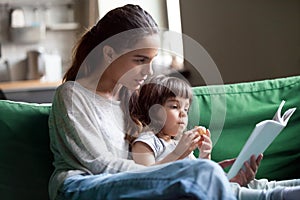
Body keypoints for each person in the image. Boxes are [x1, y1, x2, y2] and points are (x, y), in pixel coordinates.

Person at [48, 4, 259, 200]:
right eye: (140, 60)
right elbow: (102, 166)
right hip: (81, 186)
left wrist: (208, 176)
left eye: (151, 60)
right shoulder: (73, 95)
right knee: (205, 175)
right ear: (109, 53)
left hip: (132, 183)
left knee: (214, 176)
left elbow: (157, 152)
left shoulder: (131, 97)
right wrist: (184, 173)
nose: (148, 71)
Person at [130, 75, 300, 200]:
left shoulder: (176, 142)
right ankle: (279, 196)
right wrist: (178, 154)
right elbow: (144, 180)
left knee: (257, 184)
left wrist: (205, 157)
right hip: (188, 194)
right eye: (174, 106)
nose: (183, 113)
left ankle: (284, 189)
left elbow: (198, 173)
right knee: (243, 193)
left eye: (186, 109)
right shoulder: (146, 143)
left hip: (203, 189)